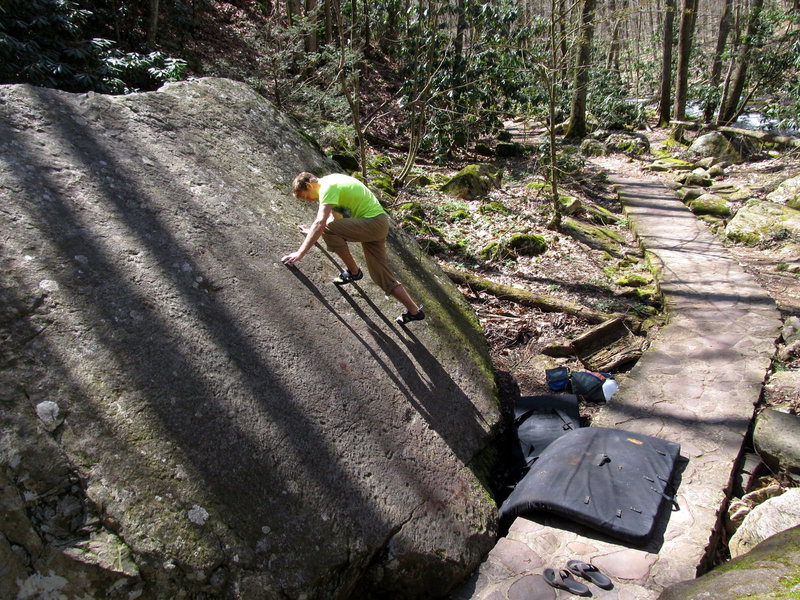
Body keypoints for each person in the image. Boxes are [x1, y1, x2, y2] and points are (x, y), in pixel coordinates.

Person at [281, 172, 425, 324]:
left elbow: (321, 224)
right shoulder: (333, 181)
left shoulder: (327, 188)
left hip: (373, 223)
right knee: (380, 274)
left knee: (327, 229)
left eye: (306, 196)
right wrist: (312, 232)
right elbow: (337, 218)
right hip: (377, 224)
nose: (309, 201)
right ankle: (414, 311)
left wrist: (300, 252)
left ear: (309, 185)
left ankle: (354, 272)